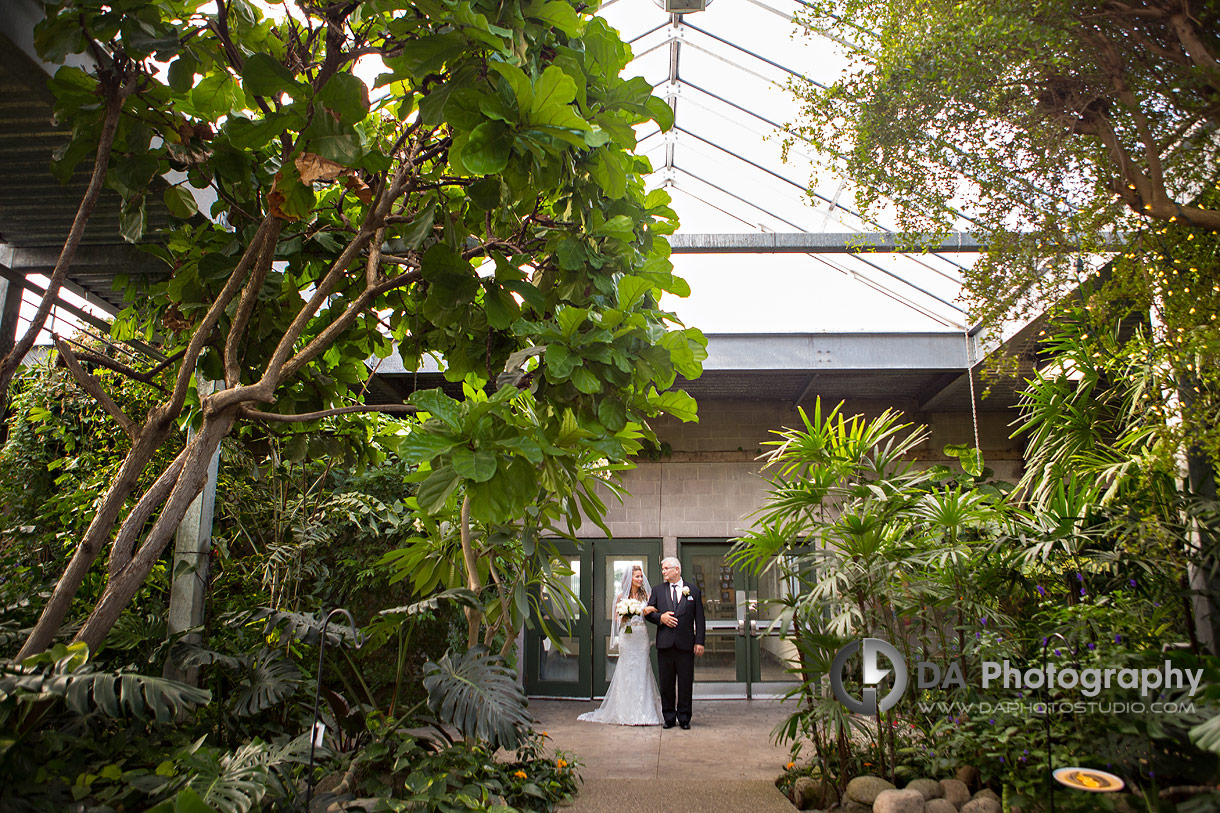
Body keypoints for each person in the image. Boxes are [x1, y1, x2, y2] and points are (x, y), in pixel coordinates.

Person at [577, 564, 663, 725]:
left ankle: (644, 712)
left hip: (640, 636)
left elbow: (652, 613)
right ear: (629, 578)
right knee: (627, 670)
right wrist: (627, 614)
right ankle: (625, 712)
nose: (640, 579)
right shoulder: (621, 597)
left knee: (642, 669)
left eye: (640, 576)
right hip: (627, 636)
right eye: (637, 576)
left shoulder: (647, 596)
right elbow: (616, 619)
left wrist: (642, 611)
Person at [644, 557, 706, 729]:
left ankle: (685, 718)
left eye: (666, 568)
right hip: (665, 645)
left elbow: (699, 619)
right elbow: (648, 613)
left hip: (686, 645)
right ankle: (669, 717)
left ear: (676, 569)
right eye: (662, 569)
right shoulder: (658, 590)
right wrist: (661, 618)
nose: (663, 571)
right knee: (666, 683)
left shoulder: (693, 590)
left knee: (685, 683)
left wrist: (699, 641)